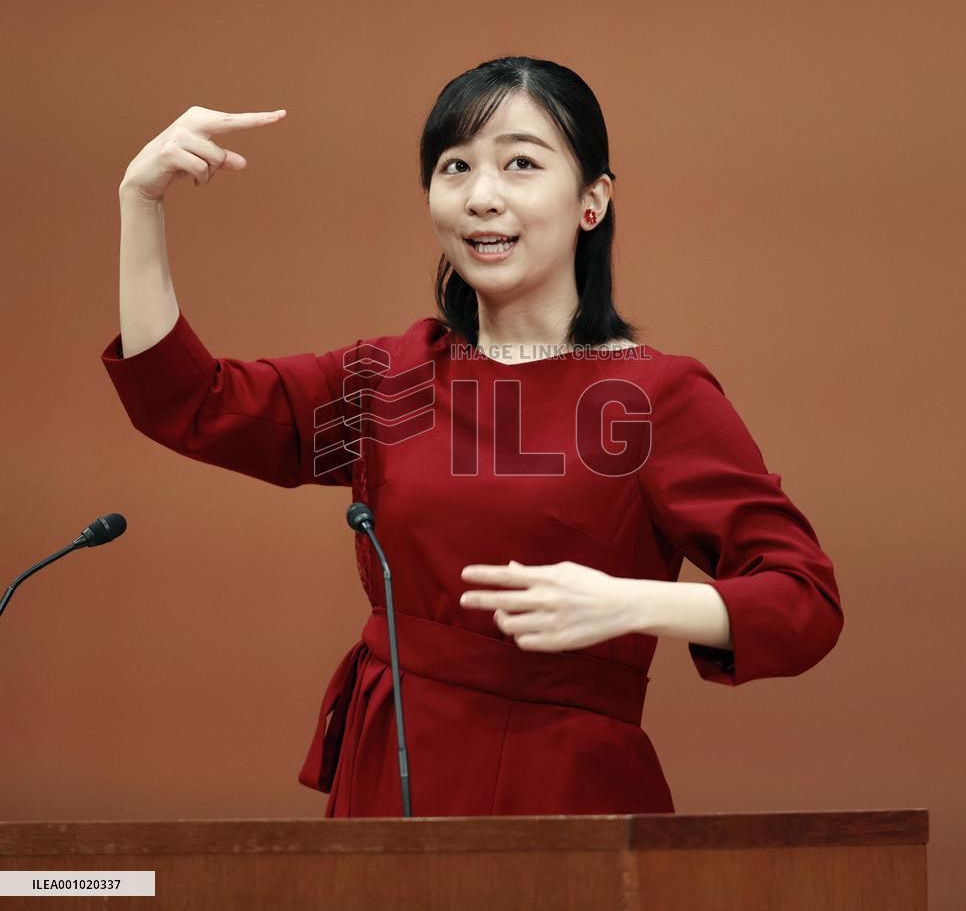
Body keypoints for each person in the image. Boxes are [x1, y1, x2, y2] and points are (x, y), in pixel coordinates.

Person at [100, 56, 844, 817]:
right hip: (389, 772)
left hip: (558, 788)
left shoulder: (652, 397)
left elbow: (804, 600)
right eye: (455, 167)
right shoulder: (391, 380)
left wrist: (630, 603)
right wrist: (140, 202)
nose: (482, 196)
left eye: (521, 163)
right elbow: (186, 401)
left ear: (592, 202)